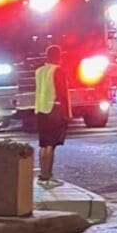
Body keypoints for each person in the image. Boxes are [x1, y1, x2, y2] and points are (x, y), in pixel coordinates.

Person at [34, 45, 70, 185]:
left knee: (43, 144)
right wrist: (66, 114)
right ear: (58, 56)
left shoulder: (39, 71)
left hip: (41, 110)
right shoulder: (58, 70)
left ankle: (42, 175)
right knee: (51, 144)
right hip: (54, 110)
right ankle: (48, 175)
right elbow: (62, 93)